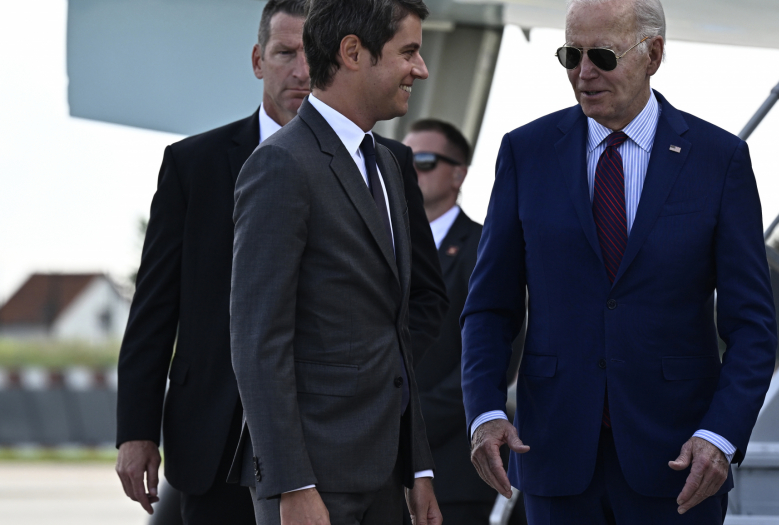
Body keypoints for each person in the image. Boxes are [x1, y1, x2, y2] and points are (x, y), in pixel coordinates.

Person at [115, 1, 446, 523]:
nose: (302, 69)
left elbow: (405, 314)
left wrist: (399, 436)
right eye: (286, 53)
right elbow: (161, 309)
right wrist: (136, 429)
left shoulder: (385, 162)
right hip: (222, 441)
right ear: (258, 60)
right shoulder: (212, 164)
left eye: (308, 51)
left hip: (359, 449)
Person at [461, 0, 778, 523]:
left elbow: (753, 326)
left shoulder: (718, 159)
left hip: (680, 461)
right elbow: (489, 308)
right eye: (571, 55)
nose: (583, 73)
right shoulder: (525, 152)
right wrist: (486, 412)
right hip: (554, 454)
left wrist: (721, 434)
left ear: (653, 55)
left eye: (603, 56)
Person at [227, 1, 445, 524]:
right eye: (408, 52)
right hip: (314, 484)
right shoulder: (280, 164)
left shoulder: (387, 164)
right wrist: (292, 485)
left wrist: (417, 467)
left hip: (385, 478)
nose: (420, 69)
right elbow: (258, 342)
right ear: (352, 52)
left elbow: (396, 335)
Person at [402, 120, 503, 525]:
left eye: (424, 161)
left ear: (458, 174)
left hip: (449, 472)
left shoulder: (484, 248)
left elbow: (496, 353)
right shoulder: (378, 242)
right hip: (371, 468)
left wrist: (402, 421)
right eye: (402, 160)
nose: (410, 170)